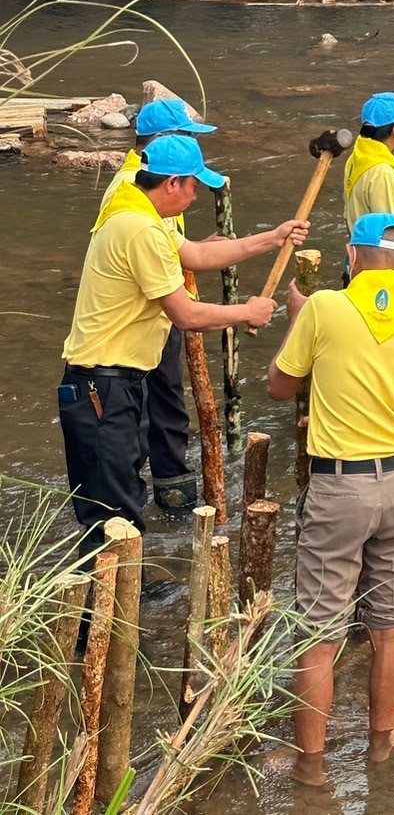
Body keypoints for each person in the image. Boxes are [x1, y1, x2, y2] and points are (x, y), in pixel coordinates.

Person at [268, 213, 394, 777]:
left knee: (319, 632)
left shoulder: (323, 307)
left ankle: (312, 768)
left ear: (351, 256)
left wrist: (298, 324)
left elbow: (279, 385)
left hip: (340, 486)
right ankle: (380, 747)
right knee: (388, 627)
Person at [60, 136, 304, 547]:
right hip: (101, 385)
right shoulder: (139, 229)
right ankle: (108, 603)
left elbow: (196, 255)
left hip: (118, 381)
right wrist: (246, 311)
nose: (195, 196)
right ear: (171, 183)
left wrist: (273, 238)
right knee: (110, 511)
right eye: (193, 186)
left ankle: (129, 593)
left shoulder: (141, 210)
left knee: (124, 496)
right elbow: (186, 315)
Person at [97, 96, 217, 515]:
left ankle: (167, 494)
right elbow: (155, 258)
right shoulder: (135, 195)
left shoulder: (149, 187)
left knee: (160, 403)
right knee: (151, 406)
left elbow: (178, 249)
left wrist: (202, 250)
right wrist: (244, 312)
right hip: (143, 318)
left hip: (155, 305)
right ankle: (156, 500)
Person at [344, 92, 394, 238]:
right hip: (382, 258)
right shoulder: (382, 173)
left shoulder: (357, 157)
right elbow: (391, 233)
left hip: (361, 250)